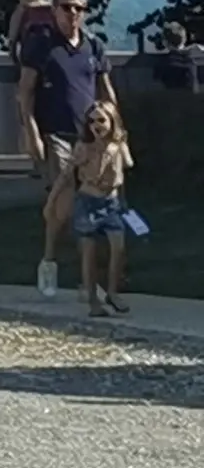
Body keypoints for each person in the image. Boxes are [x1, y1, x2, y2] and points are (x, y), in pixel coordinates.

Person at [21, 0, 110, 297]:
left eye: (79, 8)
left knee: (67, 205)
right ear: (54, 10)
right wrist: (31, 131)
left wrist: (117, 132)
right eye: (66, 7)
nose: (73, 13)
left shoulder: (93, 45)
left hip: (88, 137)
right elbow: (25, 92)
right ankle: (87, 278)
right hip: (55, 133)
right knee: (72, 200)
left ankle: (49, 258)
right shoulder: (42, 45)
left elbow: (105, 91)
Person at [67, 84, 146, 319]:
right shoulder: (84, 147)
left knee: (118, 249)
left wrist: (123, 201)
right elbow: (68, 175)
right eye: (92, 122)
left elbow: (125, 170)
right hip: (88, 201)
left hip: (111, 202)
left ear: (112, 121)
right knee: (89, 254)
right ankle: (93, 299)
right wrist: (55, 199)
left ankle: (112, 291)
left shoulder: (118, 145)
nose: (97, 126)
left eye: (101, 121)